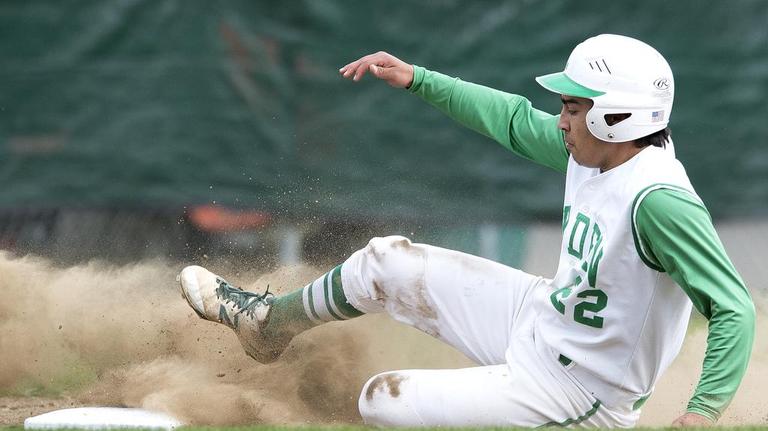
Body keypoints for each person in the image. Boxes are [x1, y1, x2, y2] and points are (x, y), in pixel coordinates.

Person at [178, 34, 755, 427]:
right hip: (544, 321)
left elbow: (734, 308)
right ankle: (267, 323)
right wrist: (417, 79)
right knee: (385, 263)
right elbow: (509, 118)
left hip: (583, 393)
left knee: (382, 401)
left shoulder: (660, 202)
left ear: (618, 118)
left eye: (575, 107)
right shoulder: (597, 152)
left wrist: (701, 413)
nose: (561, 118)